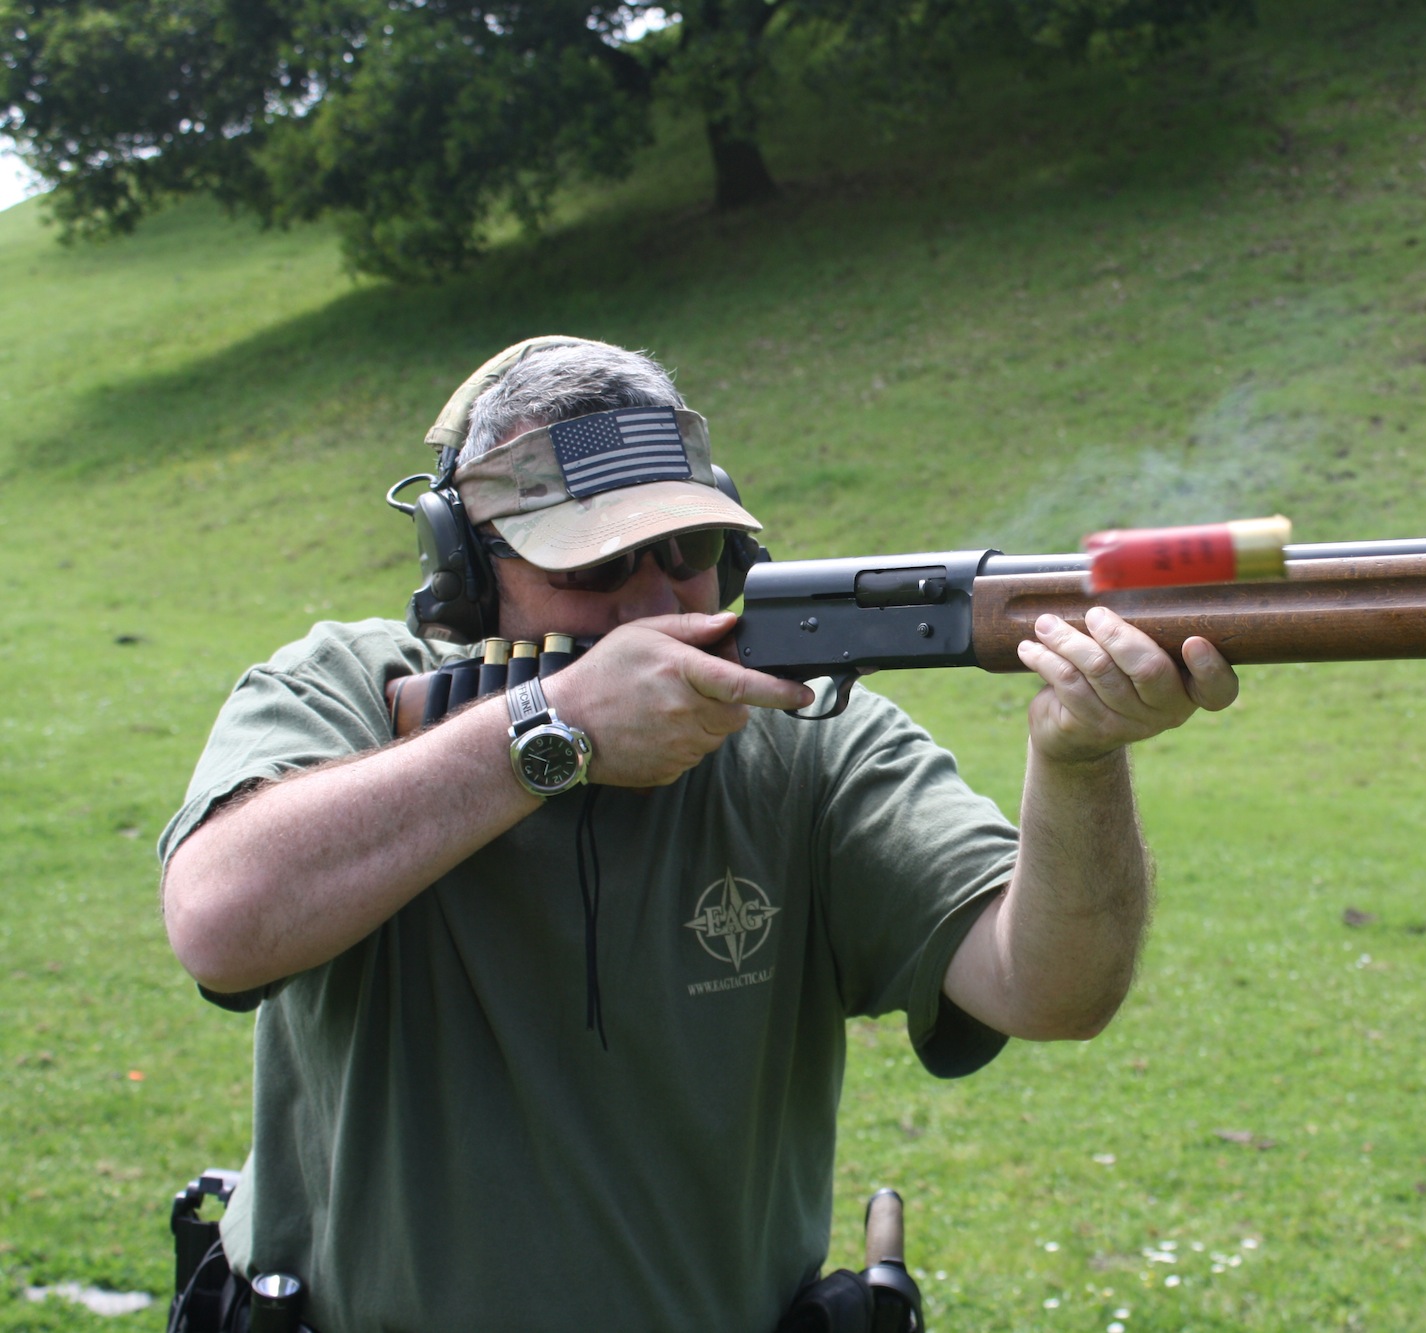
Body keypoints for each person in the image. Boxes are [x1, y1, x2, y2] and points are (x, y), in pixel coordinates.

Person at [158, 336, 1240, 1331]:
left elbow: (1051, 988)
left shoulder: (810, 733)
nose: (652, 604)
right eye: (591, 568)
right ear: (467, 570)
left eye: (689, 551)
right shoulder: (347, 687)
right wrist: (554, 731)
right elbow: (221, 920)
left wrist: (1078, 761)